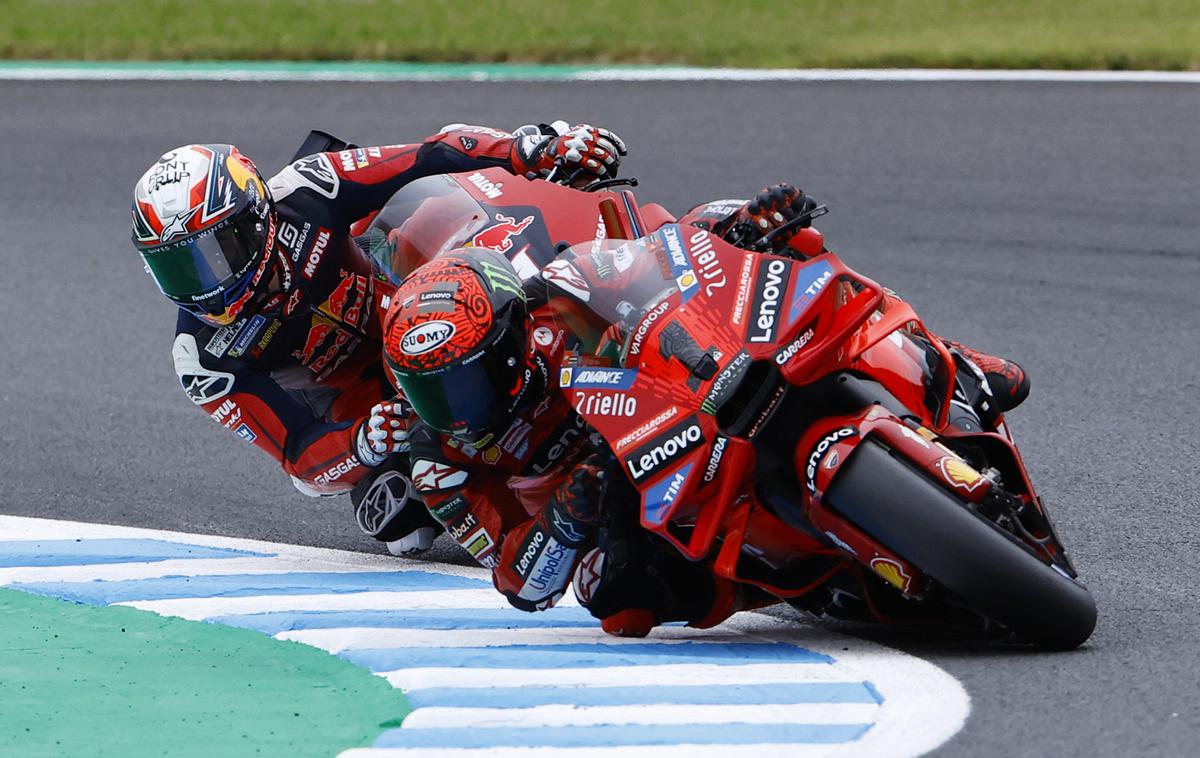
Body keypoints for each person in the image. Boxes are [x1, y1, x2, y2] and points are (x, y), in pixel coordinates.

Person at [381, 184, 1030, 636]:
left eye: (465, 381)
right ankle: (772, 580)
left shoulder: (553, 305)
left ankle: (944, 361)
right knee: (615, 597)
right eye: (428, 391)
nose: (452, 407)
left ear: (511, 340)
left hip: (682, 400)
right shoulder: (436, 461)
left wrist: (740, 226)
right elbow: (519, 581)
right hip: (630, 500)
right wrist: (565, 518)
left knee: (794, 246)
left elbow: (666, 255)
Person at [130, 121, 627, 555]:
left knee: (449, 203)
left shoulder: (306, 191)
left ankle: (604, 273)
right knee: (396, 519)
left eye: (211, 255)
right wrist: (362, 444)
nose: (203, 285)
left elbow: (428, 155)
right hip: (371, 403)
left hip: (417, 295)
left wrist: (527, 152)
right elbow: (300, 456)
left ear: (254, 216)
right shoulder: (204, 359)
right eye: (175, 268)